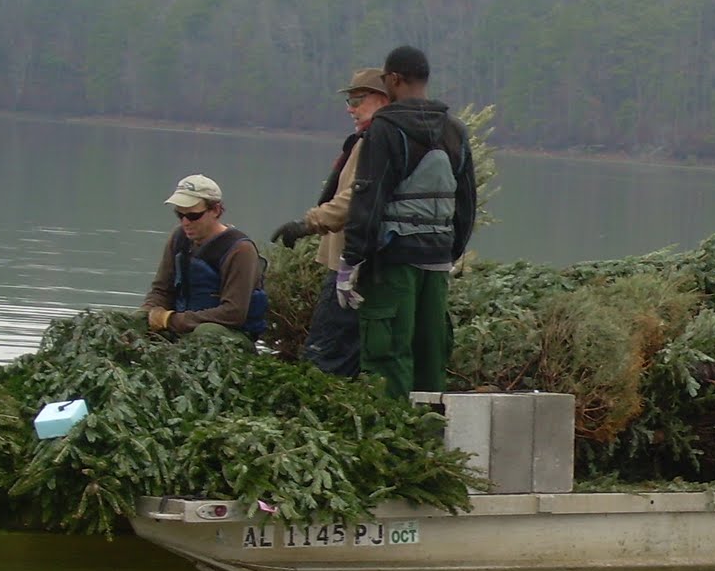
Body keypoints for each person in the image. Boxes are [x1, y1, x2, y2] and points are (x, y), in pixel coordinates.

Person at [338, 45, 476, 399]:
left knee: (388, 361)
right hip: (437, 263)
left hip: (392, 265)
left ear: (395, 79)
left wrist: (351, 260)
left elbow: (368, 198)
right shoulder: (454, 131)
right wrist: (448, 252)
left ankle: (391, 446)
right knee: (430, 361)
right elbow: (466, 206)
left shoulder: (386, 128)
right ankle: (432, 445)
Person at [270, 66, 389, 376]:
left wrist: (309, 223)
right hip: (355, 260)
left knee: (325, 355)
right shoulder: (372, 138)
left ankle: (319, 412)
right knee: (347, 351)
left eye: (358, 99)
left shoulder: (376, 141)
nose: (351, 108)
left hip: (350, 264)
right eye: (349, 101)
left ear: (382, 99)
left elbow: (355, 198)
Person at [140, 174, 268, 343]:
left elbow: (233, 313)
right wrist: (147, 313)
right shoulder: (178, 238)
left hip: (229, 335)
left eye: (193, 216)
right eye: (180, 215)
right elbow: (161, 290)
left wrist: (170, 320)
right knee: (135, 321)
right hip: (182, 327)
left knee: (206, 332)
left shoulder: (240, 250)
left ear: (215, 210)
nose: (185, 222)